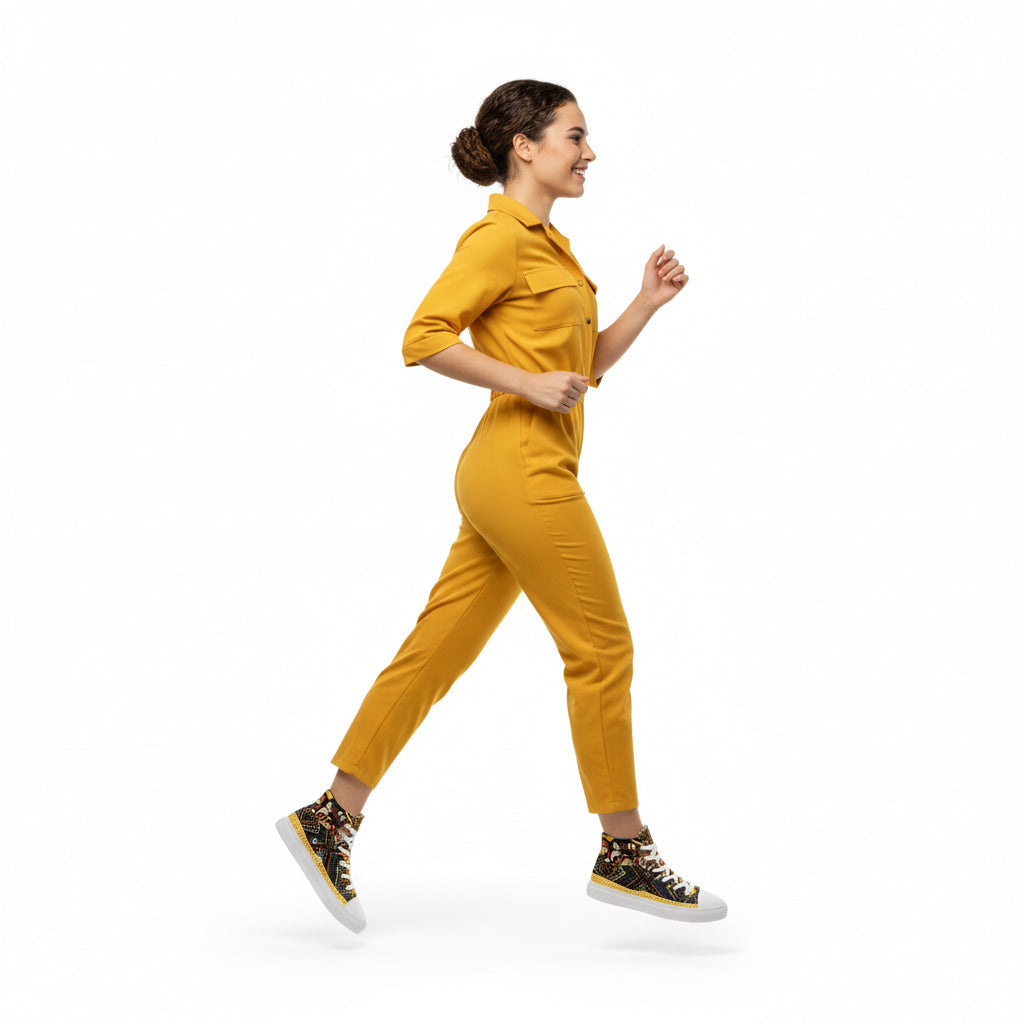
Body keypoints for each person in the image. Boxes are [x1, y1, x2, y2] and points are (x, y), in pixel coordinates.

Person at [275, 79, 727, 933]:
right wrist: (523, 380)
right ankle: (623, 849)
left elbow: (583, 368)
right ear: (525, 146)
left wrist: (643, 304)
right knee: (601, 645)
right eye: (575, 135)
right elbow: (423, 337)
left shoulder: (552, 248)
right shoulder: (499, 238)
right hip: (521, 469)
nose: (588, 152)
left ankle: (330, 815)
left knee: (435, 652)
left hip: (512, 470)